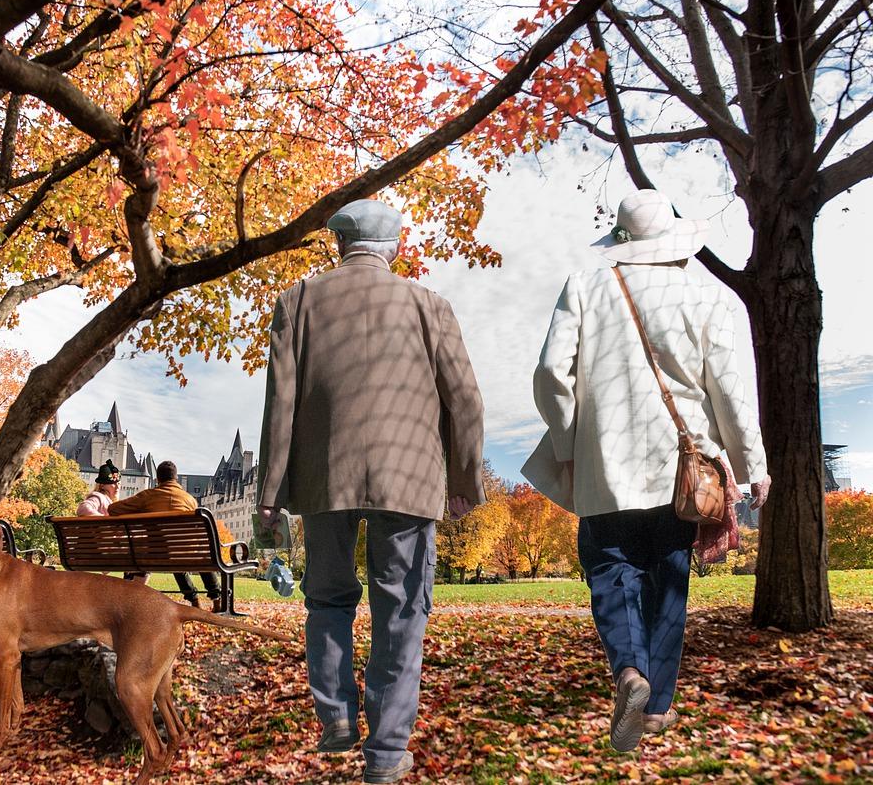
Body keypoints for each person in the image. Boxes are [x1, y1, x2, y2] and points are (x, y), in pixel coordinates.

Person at [523, 189, 770, 752]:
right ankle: (656, 707)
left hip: (604, 466)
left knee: (610, 570)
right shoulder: (704, 297)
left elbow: (548, 373)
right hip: (681, 472)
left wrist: (569, 444)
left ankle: (629, 672)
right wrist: (753, 464)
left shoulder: (585, 287)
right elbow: (729, 391)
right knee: (668, 581)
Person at [255, 199, 486, 785]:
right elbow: (464, 400)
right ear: (394, 247)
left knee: (327, 598)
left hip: (323, 478)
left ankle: (335, 717)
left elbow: (280, 403)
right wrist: (463, 480)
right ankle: (385, 751)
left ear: (340, 245)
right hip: (408, 477)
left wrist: (270, 493)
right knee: (402, 609)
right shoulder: (428, 304)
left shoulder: (299, 301)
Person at [108, 460, 223, 609]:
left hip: (155, 554)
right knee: (192, 555)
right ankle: (216, 597)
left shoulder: (147, 496)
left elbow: (113, 509)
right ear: (176, 479)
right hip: (186, 554)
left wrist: (141, 511)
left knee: (169, 552)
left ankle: (194, 599)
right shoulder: (190, 500)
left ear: (158, 479)